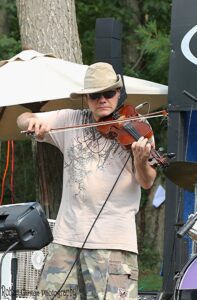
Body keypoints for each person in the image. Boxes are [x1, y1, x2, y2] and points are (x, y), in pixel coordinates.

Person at [17, 62, 157, 300]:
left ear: (118, 93)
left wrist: (141, 160)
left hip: (113, 243)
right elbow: (22, 117)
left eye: (108, 93)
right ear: (86, 98)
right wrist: (32, 123)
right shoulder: (71, 119)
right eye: (95, 95)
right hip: (66, 241)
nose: (102, 99)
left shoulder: (138, 127)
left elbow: (147, 182)